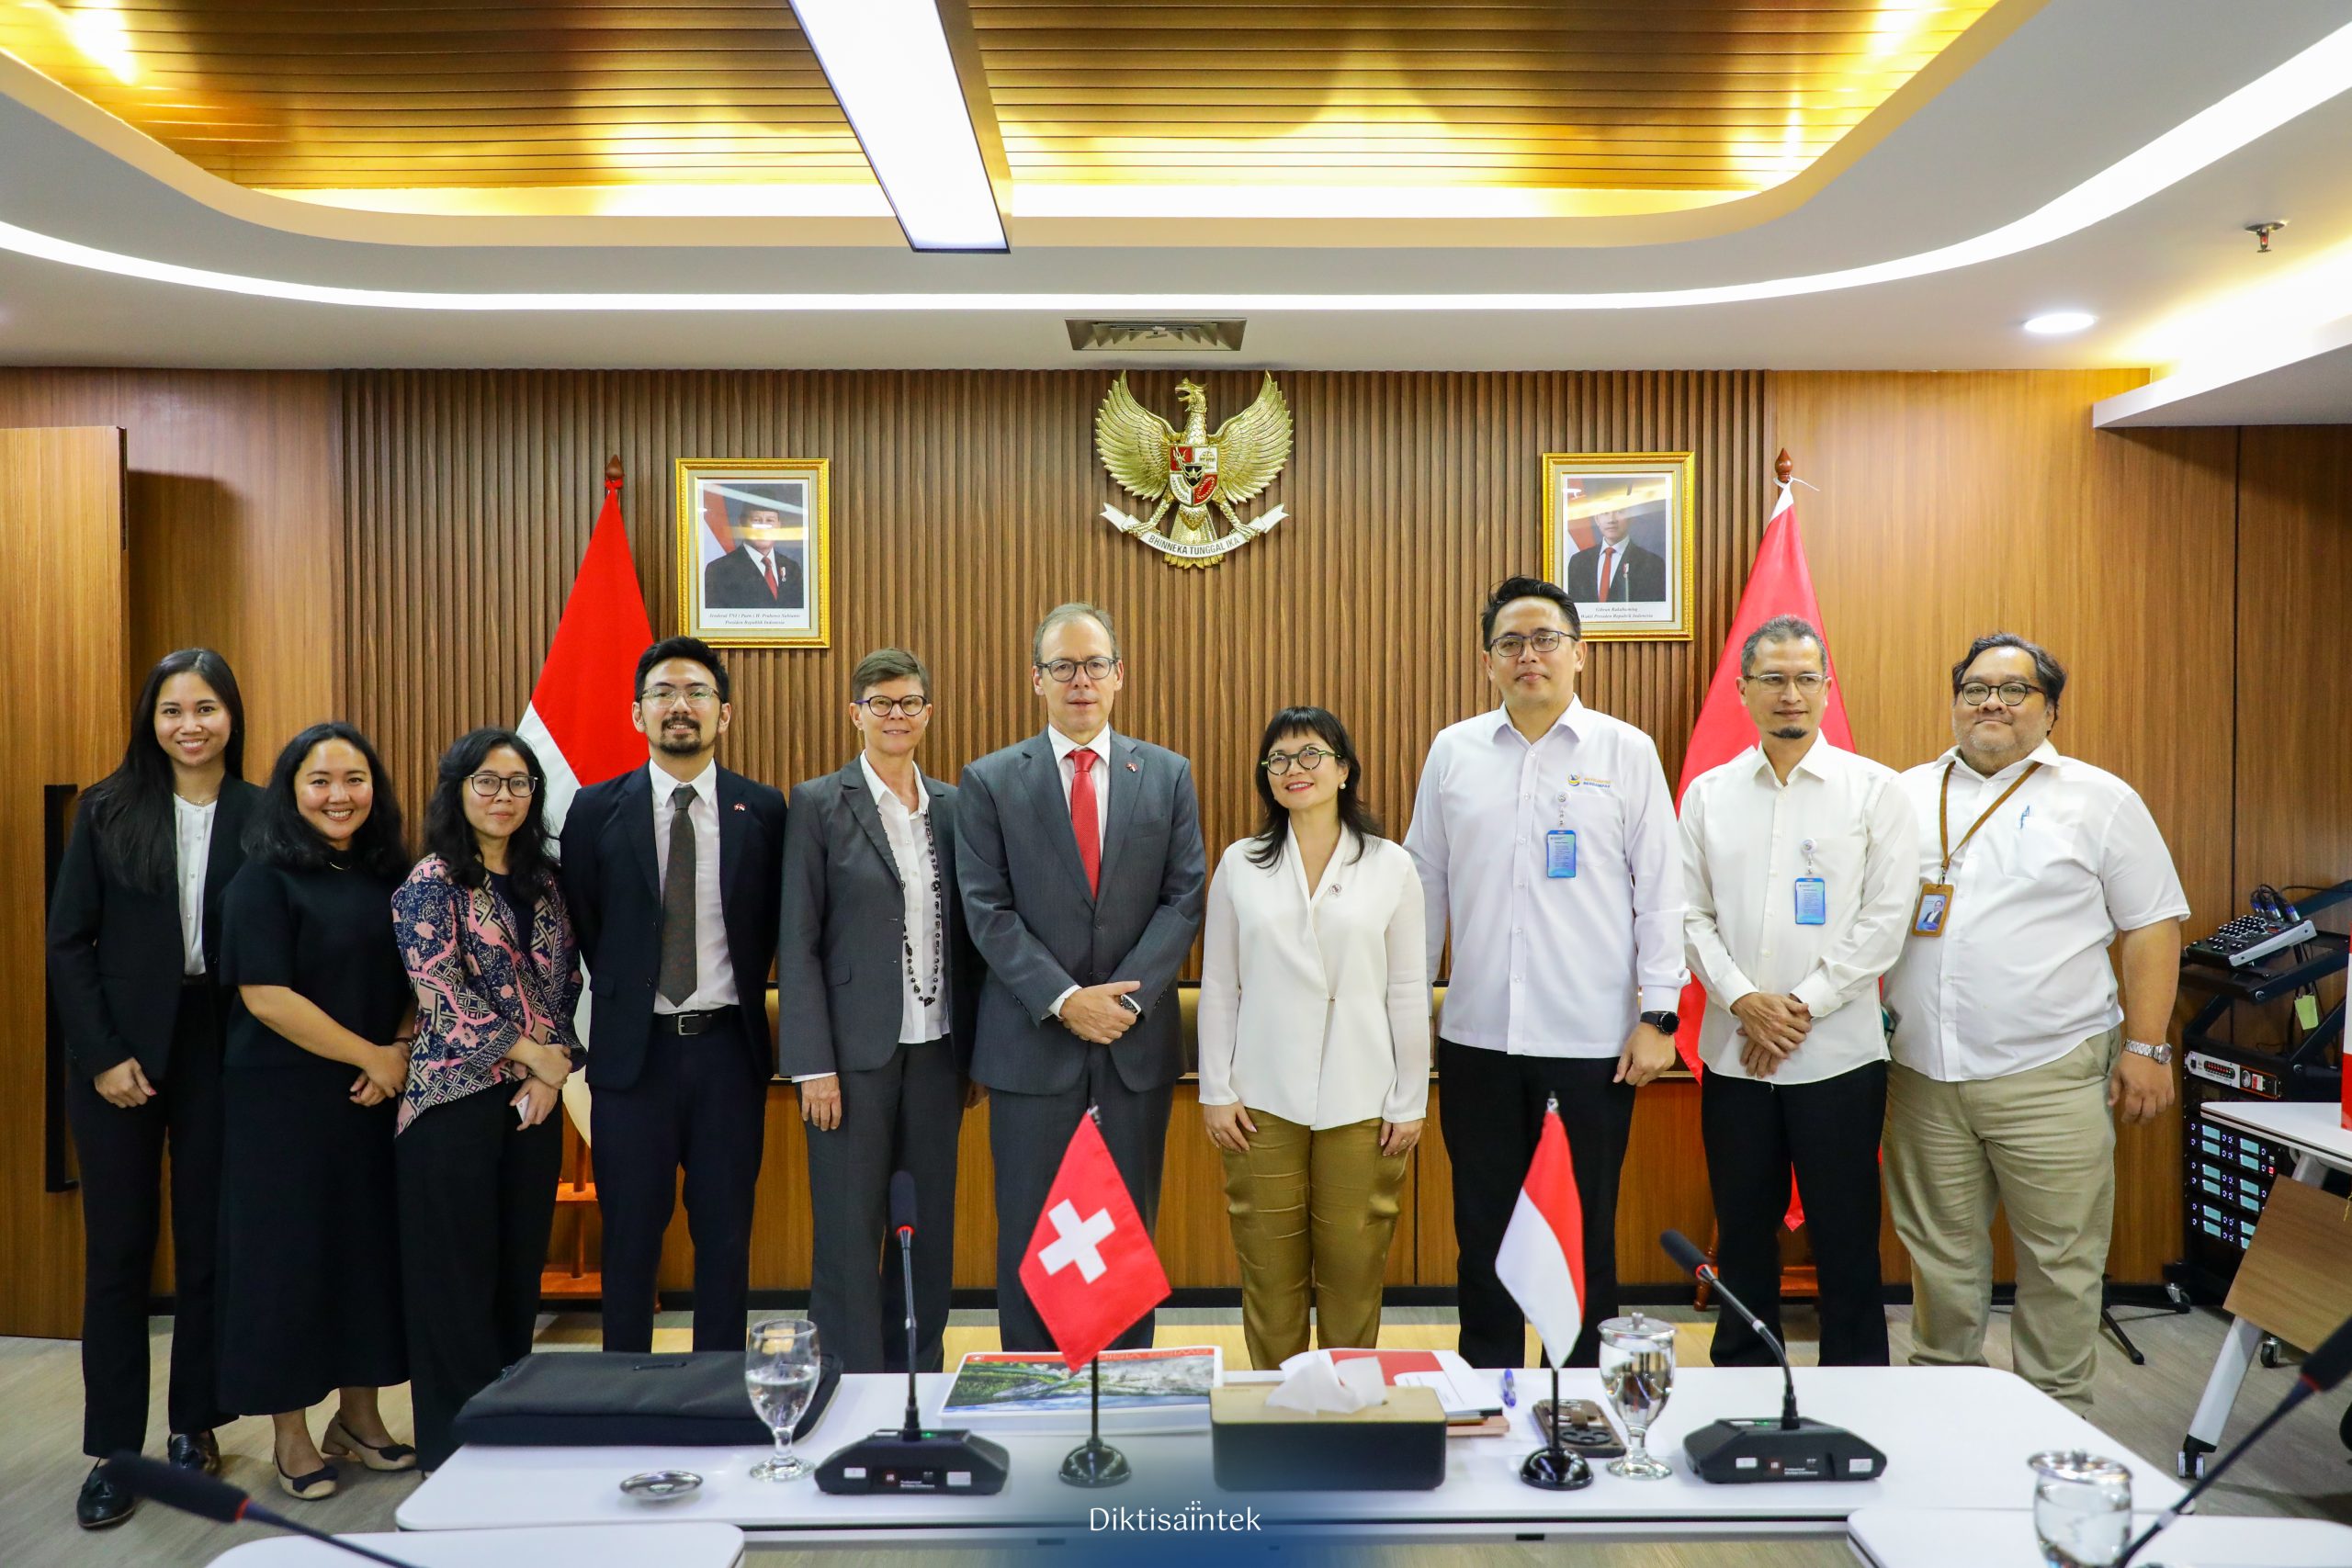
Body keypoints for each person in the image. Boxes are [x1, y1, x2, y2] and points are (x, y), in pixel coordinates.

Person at [1883, 633, 2186, 1414]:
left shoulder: (2098, 799)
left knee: (2061, 1260)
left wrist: (2149, 1046)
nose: (1992, 702)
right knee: (1939, 1260)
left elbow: (2152, 925)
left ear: (2051, 710)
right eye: (1976, 688)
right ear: (1955, 702)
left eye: (2014, 690)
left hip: (2050, 1074)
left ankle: (2055, 1422)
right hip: (1921, 1073)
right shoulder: (1903, 794)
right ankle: (1942, 1414)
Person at [1404, 575, 1684, 1369]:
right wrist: (1409, 1012)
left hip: (1592, 1044)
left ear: (1579, 653)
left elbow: (1663, 890)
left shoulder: (1626, 751)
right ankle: (1487, 1393)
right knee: (1483, 1231)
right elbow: (1424, 884)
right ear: (1487, 660)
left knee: (1582, 1233)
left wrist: (1659, 1015)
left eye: (1545, 639)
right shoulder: (1454, 751)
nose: (1528, 655)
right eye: (1510, 642)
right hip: (1478, 1039)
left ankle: (1584, 1398)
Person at [956, 602, 1207, 1352]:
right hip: (1032, 1049)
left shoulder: (1166, 774)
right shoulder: (990, 780)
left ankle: (1124, 1388)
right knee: (1035, 1235)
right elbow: (986, 909)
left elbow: (1184, 896)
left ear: (1119, 674)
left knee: (1124, 1235)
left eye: (1095, 664)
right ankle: (1034, 1389)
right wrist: (1066, 1000)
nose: (1080, 680)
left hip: (1133, 1047)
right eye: (1062, 666)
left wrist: (1120, 1000)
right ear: (1036, 679)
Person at [48, 650, 257, 1529]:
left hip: (221, 1042)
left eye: (206, 708)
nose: (190, 725)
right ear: (151, 720)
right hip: (119, 1050)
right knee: (120, 1253)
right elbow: (68, 941)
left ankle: (193, 1426)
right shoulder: (107, 808)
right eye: (173, 710)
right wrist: (102, 1054)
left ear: (231, 716)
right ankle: (115, 1450)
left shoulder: (263, 813)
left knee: (209, 1244)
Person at [1679, 615, 1916, 1370]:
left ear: (1826, 688)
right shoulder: (1709, 794)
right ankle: (1744, 1383)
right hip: (1735, 1056)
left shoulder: (1875, 790)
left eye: (1806, 678)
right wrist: (1745, 1001)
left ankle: (1856, 1389)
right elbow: (1687, 914)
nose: (1790, 694)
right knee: (1743, 1233)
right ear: (1743, 690)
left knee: (1846, 1236)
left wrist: (1798, 1006)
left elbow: (1885, 921)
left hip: (1839, 1056)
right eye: (1773, 679)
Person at [560, 636, 786, 1352]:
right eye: (662, 692)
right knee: (631, 1234)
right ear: (638, 713)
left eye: (696, 692)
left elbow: (773, 924)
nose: (679, 705)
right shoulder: (594, 809)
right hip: (634, 1059)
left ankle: (716, 1385)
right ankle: (623, 1388)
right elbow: (586, 923)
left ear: (725, 712)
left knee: (725, 1233)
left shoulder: (763, 810)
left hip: (728, 1054)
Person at [217, 722, 416, 1500]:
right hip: (283, 1104)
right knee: (288, 1266)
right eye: (320, 780)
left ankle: (359, 1419)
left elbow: (421, 971)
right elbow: (266, 996)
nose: (340, 794)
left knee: (366, 1257)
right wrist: (372, 1056)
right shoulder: (262, 878)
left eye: (354, 779)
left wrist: (397, 1048)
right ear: (291, 790)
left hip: (370, 1099)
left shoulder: (389, 874)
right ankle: (292, 1434)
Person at [1197, 706, 1428, 1370]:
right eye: (1278, 759)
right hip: (1260, 1098)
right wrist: (1216, 1089)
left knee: (1354, 1269)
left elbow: (1407, 987)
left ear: (1344, 769)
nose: (1293, 769)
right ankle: (1275, 1406)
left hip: (1363, 1096)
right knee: (1270, 1274)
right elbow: (1220, 985)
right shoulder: (1242, 864)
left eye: (1310, 755)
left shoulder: (1389, 864)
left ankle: (1345, 1403)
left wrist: (1410, 1097)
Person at [776, 649, 982, 1373]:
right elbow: (797, 941)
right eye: (882, 702)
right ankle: (847, 1380)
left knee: (925, 1230)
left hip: (938, 1052)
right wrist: (812, 1064)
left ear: (928, 713)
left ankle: (915, 1377)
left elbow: (973, 934)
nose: (897, 714)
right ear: (855, 713)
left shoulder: (955, 806)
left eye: (910, 702)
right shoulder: (818, 803)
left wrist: (976, 1052)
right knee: (848, 1230)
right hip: (849, 1059)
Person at [392, 728, 581, 1471]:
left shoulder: (548, 880)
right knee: (454, 1284)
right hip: (452, 1103)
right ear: (458, 789)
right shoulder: (430, 881)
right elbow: (440, 992)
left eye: (519, 782)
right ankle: (452, 1452)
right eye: (488, 781)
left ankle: (506, 1435)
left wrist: (549, 1075)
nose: (504, 795)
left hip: (533, 1104)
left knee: (515, 1273)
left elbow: (567, 982)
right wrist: (536, 1056)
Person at [703, 505, 805, 611]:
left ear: (779, 525)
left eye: (770, 520)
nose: (763, 528)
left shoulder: (792, 568)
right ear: (742, 523)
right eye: (756, 520)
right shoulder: (719, 570)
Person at [1564, 510, 1667, 604]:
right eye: (1605, 513)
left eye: (1619, 512)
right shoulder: (1578, 561)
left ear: (1631, 517)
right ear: (1597, 519)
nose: (1611, 520)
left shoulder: (1653, 564)